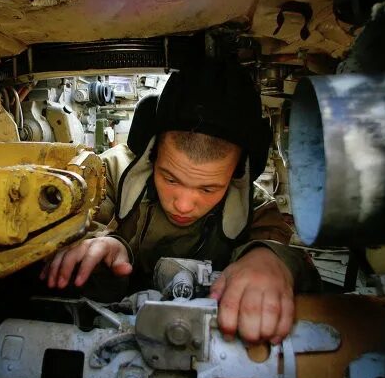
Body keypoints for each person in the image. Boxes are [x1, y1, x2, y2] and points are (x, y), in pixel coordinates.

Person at [41, 60, 319, 344]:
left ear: (238, 174)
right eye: (170, 179)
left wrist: (269, 260)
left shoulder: (257, 209)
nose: (184, 205)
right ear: (152, 152)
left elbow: (290, 254)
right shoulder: (105, 175)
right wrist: (103, 242)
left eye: (209, 188)